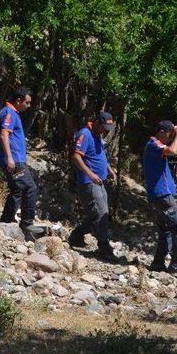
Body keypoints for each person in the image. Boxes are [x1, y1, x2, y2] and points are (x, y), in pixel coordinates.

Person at [68, 111, 121, 263]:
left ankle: (76, 235)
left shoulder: (98, 135)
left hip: (101, 180)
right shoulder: (84, 134)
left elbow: (100, 156)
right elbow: (76, 156)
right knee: (101, 212)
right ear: (97, 122)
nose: (105, 130)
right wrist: (90, 174)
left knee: (98, 213)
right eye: (103, 127)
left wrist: (110, 170)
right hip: (89, 181)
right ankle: (104, 248)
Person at [0, 87, 46, 241]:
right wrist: (10, 158)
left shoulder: (11, 113)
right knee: (30, 188)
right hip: (14, 160)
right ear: (19, 100)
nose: (29, 106)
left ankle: (5, 221)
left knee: (17, 190)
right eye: (27, 103)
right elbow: (4, 135)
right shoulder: (9, 113)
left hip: (15, 159)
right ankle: (27, 224)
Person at [143, 120, 177, 276]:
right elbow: (173, 151)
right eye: (170, 133)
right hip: (161, 195)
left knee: (166, 229)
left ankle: (158, 263)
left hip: (158, 195)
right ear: (162, 132)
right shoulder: (153, 144)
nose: (172, 136)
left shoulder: (155, 146)